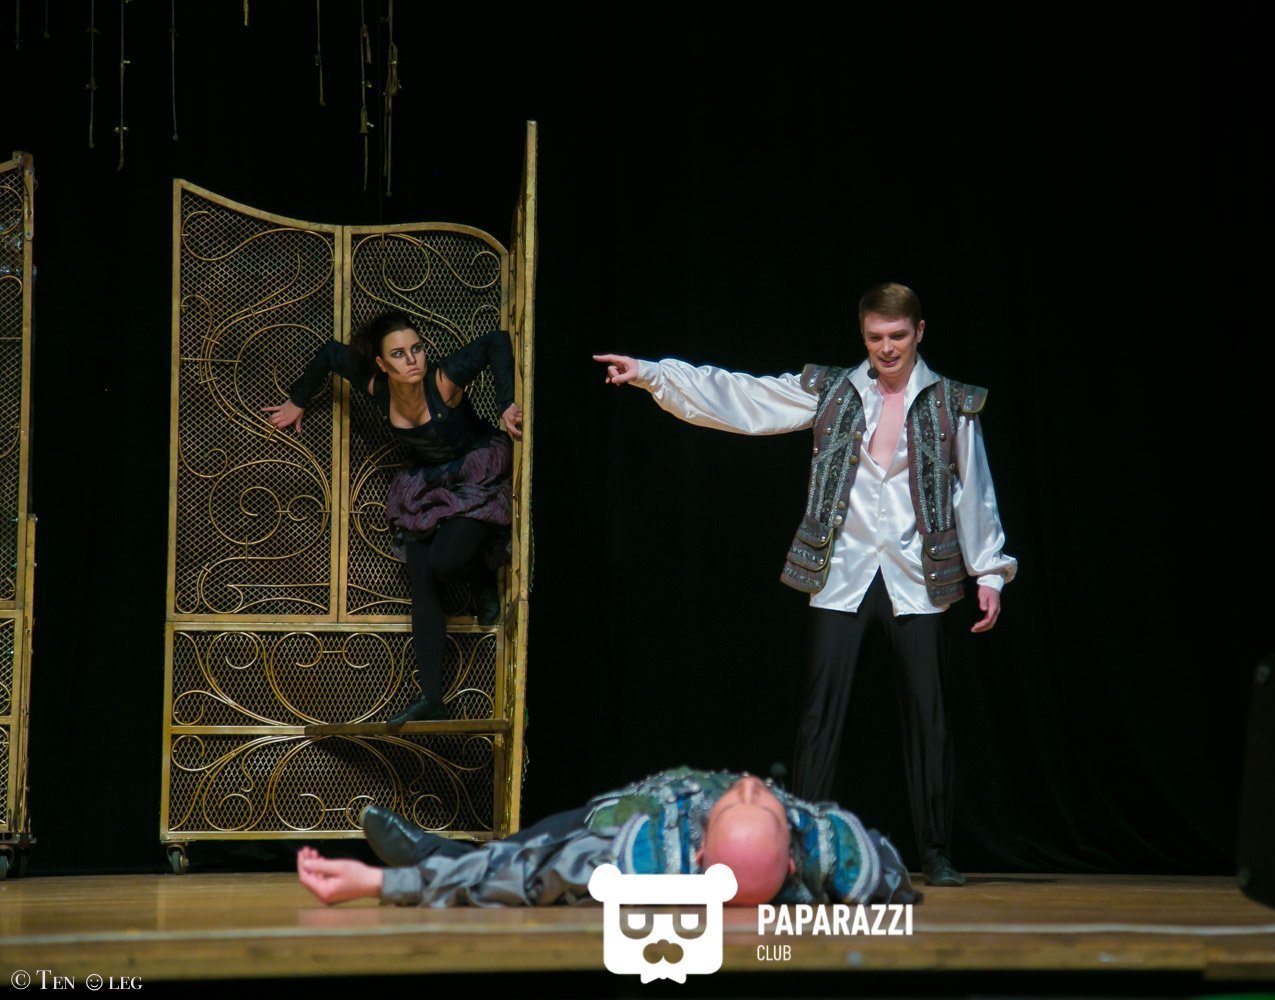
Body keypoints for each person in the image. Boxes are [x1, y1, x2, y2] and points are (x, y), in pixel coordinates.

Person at [592, 284, 1017, 887]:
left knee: (930, 717)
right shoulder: (834, 391)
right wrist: (654, 374)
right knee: (819, 716)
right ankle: (804, 845)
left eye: (897, 336)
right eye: (875, 337)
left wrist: (989, 571)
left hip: (916, 577)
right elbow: (744, 397)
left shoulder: (952, 404)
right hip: (843, 571)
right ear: (863, 335)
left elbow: (973, 489)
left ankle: (938, 851)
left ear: (919, 332)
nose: (886, 348)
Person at [264, 311, 523, 723]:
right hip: (429, 483)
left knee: (445, 562)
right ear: (382, 364)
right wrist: (298, 400)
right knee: (423, 580)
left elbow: (496, 339)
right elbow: (330, 354)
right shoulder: (375, 385)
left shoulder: (443, 382)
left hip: (476, 472)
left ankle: (481, 577)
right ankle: (433, 698)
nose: (412, 360)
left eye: (416, 349)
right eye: (399, 354)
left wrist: (506, 403)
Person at [296, 766, 921, 907]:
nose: (753, 782)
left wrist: (378, 884)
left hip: (618, 819)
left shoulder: (638, 862)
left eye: (745, 797)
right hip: (671, 794)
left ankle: (431, 852)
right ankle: (438, 849)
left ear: (699, 853)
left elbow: (521, 879)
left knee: (523, 852)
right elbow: (891, 875)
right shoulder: (826, 848)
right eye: (758, 797)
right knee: (525, 848)